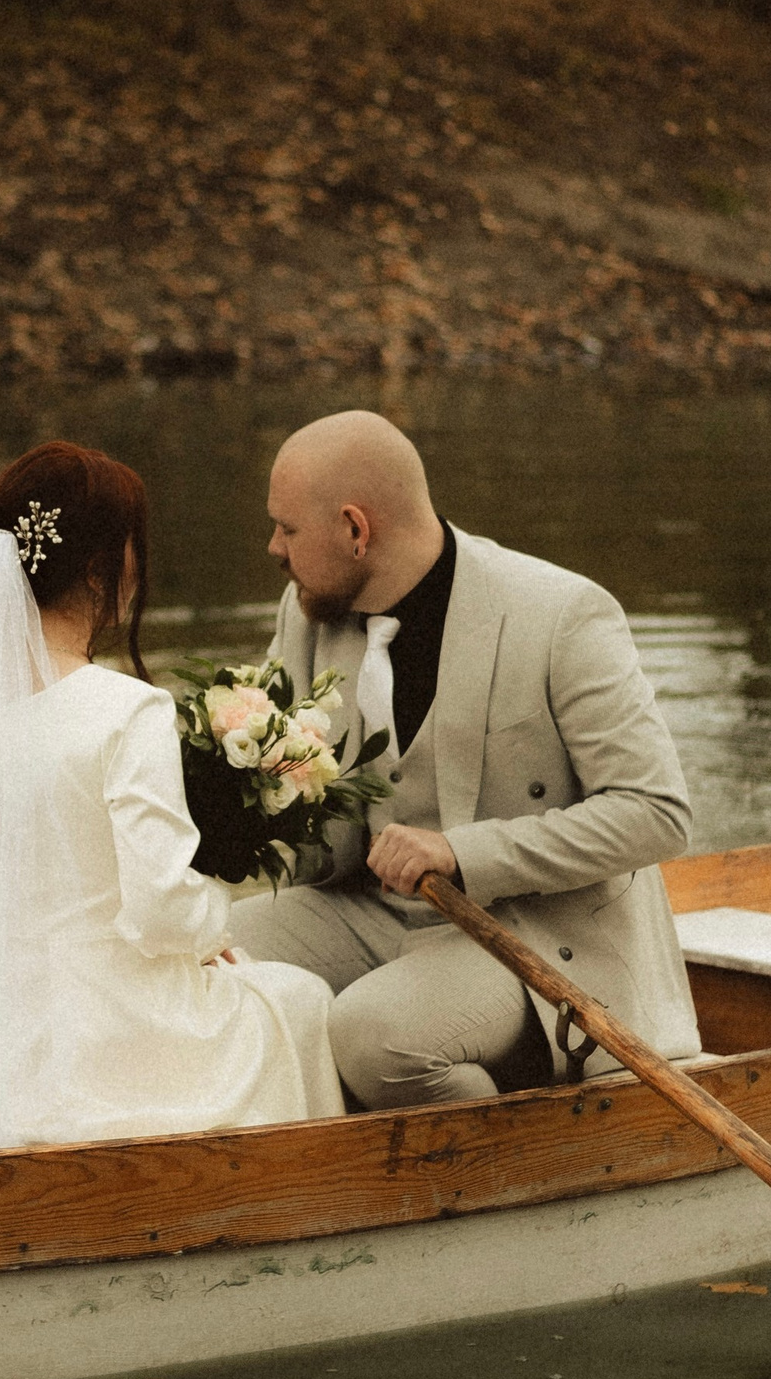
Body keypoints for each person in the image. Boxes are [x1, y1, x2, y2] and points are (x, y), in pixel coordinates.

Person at [0, 439, 342, 1160]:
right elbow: (161, 911)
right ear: (100, 568)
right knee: (299, 999)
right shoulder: (125, 710)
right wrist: (218, 925)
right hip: (102, 1039)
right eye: (130, 548)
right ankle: (299, 1199)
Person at [225, 410, 698, 1108]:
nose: (273, 547)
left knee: (371, 1037)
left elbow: (658, 814)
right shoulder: (306, 612)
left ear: (356, 530)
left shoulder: (561, 613)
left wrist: (460, 851)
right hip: (373, 912)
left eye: (287, 528)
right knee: (206, 957)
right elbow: (313, 831)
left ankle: (505, 1157)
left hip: (529, 935)